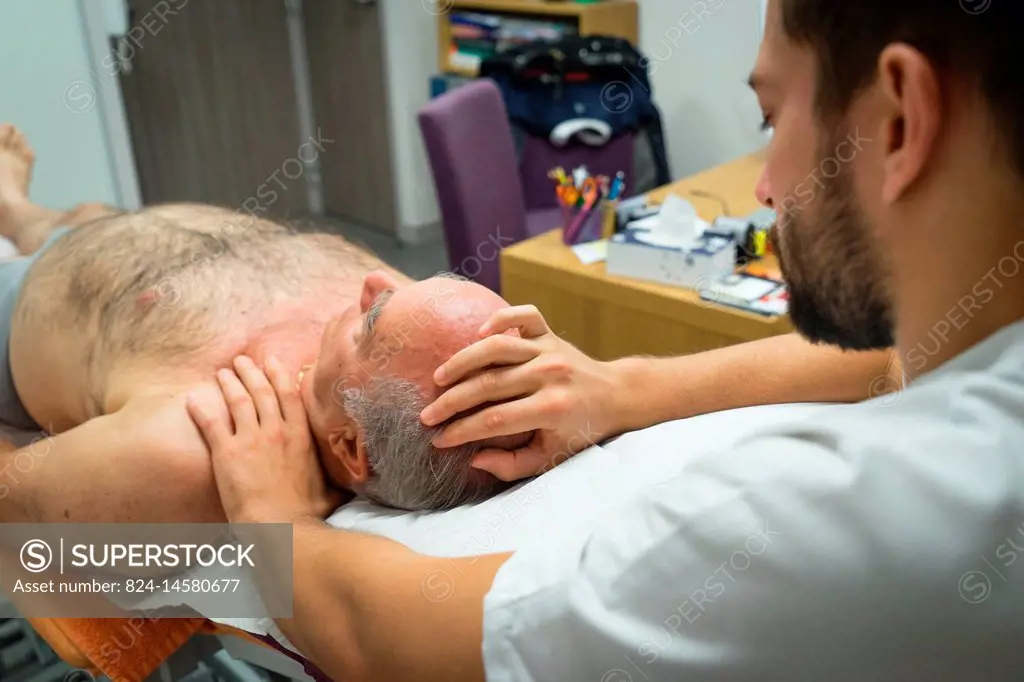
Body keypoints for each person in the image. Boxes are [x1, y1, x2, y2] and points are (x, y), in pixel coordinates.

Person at [188, 0, 1024, 680]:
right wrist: (624, 389)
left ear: (903, 119)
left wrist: (274, 522)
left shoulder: (814, 520)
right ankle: (48, 221)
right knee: (68, 230)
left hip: (77, 539)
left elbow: (381, 639)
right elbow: (893, 361)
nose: (766, 185)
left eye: (772, 119)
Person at [0, 123, 528, 520]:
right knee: (87, 216)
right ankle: (18, 209)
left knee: (77, 227)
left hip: (33, 304)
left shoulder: (197, 442)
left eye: (369, 321)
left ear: (349, 447)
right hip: (123, 242)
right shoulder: (417, 342)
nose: (372, 281)